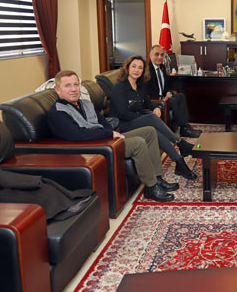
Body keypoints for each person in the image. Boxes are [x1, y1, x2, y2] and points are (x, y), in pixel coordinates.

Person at [47, 70, 178, 202]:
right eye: (67, 85)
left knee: (149, 131)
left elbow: (103, 122)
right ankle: (151, 187)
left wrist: (111, 134)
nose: (73, 89)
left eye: (76, 84)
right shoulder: (58, 112)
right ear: (57, 89)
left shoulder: (86, 103)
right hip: (94, 148)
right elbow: (77, 134)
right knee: (138, 142)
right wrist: (109, 134)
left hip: (107, 140)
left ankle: (157, 178)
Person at [111, 55, 197, 180]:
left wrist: (157, 108)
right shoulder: (119, 87)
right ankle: (180, 143)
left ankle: (179, 162)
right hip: (122, 125)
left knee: (155, 131)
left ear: (143, 71)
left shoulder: (140, 86)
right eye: (134, 66)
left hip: (136, 121)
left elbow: (149, 104)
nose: (136, 70)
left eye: (140, 68)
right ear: (127, 68)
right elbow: (122, 113)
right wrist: (142, 118)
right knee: (150, 118)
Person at [146, 44, 201, 138]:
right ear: (150, 55)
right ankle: (184, 128)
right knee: (173, 100)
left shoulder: (162, 68)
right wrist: (162, 99)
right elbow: (147, 92)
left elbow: (165, 86)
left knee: (181, 96)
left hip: (163, 97)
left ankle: (185, 126)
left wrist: (168, 92)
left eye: (162, 55)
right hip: (155, 100)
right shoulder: (146, 71)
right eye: (156, 54)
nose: (159, 57)